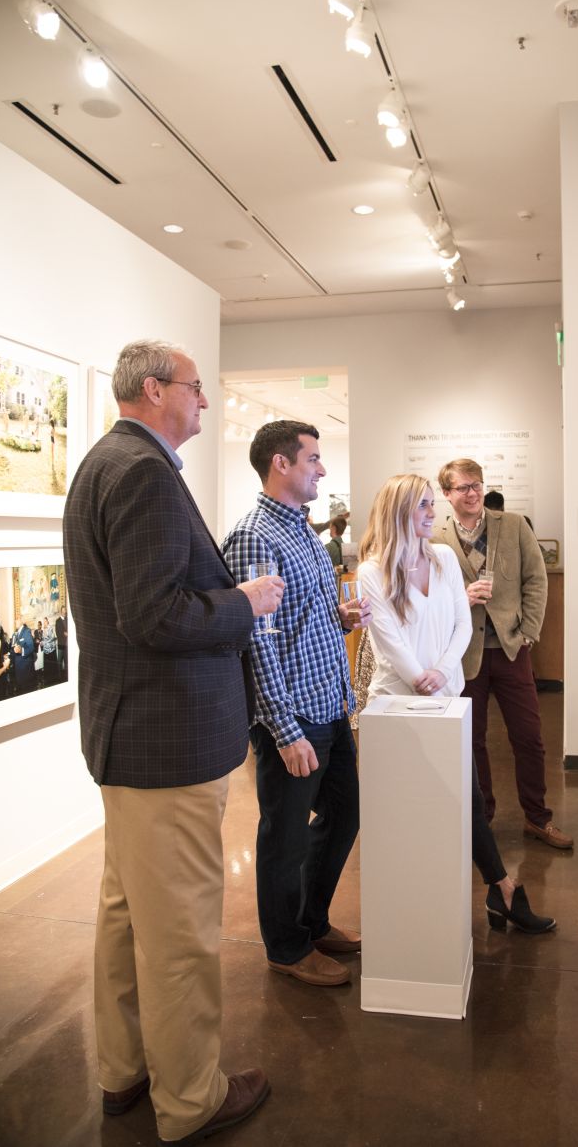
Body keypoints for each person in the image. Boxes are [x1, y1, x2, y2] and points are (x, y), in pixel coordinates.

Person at [62, 339, 284, 1146]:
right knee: (182, 933)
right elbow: (154, 615)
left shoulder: (105, 463)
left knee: (127, 915)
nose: (203, 402)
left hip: (133, 739)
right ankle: (190, 1097)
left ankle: (123, 1072)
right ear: (155, 391)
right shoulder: (145, 474)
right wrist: (245, 602)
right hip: (167, 744)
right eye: (195, 389)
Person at [356, 474, 555, 934]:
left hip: (445, 701)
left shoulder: (443, 558)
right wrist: (418, 677)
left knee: (463, 796)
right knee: (413, 811)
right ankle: (486, 893)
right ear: (400, 512)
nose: (432, 513)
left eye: (431, 504)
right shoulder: (371, 572)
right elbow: (386, 638)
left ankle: (497, 889)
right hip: (397, 708)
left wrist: (443, 673)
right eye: (423, 506)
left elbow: (462, 625)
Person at [222, 420, 369, 988]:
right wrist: (284, 731)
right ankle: (286, 946)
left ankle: (310, 920)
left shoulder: (304, 533)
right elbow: (256, 641)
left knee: (346, 813)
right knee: (283, 835)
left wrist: (339, 617)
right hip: (295, 718)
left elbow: (296, 621)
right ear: (281, 464)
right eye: (313, 459)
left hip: (330, 707)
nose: (322, 469)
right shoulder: (256, 536)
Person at [436, 458, 573, 849]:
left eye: (477, 484)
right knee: (471, 740)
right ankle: (482, 819)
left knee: (529, 738)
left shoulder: (512, 525)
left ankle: (537, 818)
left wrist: (529, 630)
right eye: (463, 487)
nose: (473, 492)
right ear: (447, 494)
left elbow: (537, 579)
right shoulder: (435, 540)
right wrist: (461, 600)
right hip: (464, 656)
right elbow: (431, 598)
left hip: (512, 649)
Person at [10, 616, 35, 695]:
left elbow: (31, 647)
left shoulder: (26, 631)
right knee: (20, 690)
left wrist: (22, 650)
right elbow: (13, 648)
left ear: (22, 621)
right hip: (17, 667)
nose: (15, 621)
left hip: (25, 668)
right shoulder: (15, 634)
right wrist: (8, 655)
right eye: (15, 619)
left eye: (17, 619)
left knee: (26, 691)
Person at [55, 605, 68, 679]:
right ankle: (59, 677)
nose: (64, 612)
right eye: (63, 611)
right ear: (61, 611)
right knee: (59, 661)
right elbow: (58, 633)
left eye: (65, 611)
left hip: (67, 644)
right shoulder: (58, 621)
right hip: (60, 644)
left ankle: (67, 677)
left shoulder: (68, 619)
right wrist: (64, 634)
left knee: (67, 660)